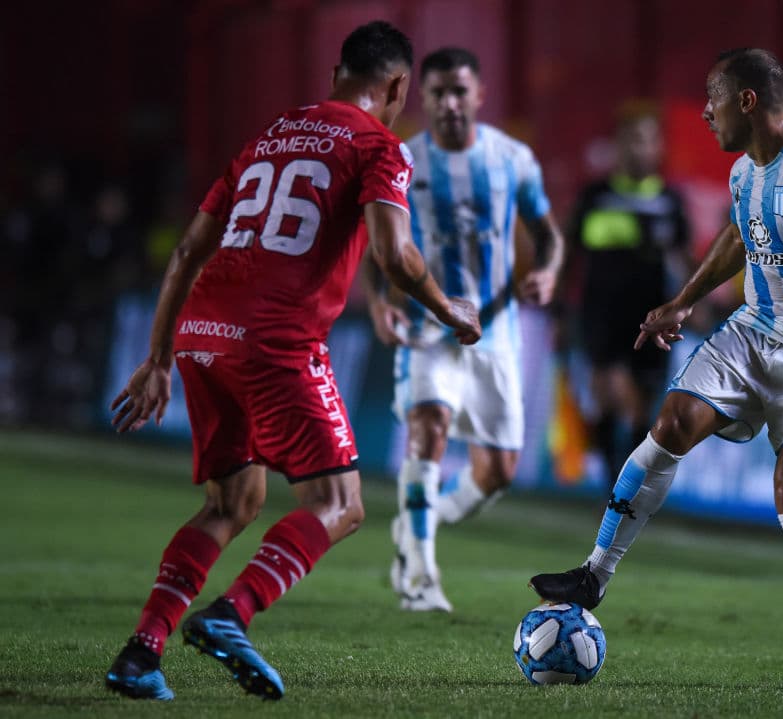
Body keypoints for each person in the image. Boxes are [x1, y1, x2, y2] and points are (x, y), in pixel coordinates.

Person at [104, 21, 480, 702]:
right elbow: (395, 255)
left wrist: (158, 357)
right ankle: (230, 614)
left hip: (201, 332)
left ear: (336, 75)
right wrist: (448, 306)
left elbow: (188, 250)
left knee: (232, 499)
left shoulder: (266, 139)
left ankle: (141, 651)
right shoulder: (378, 144)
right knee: (340, 502)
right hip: (274, 340)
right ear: (397, 86)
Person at [530, 48, 783, 692]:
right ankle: (594, 574)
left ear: (746, 101)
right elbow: (736, 237)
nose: (704, 112)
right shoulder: (744, 172)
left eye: (713, 98)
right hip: (754, 334)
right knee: (670, 420)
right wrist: (683, 301)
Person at [363, 47, 564, 612]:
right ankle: (422, 575)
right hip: (429, 326)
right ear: (422, 99)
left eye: (459, 91)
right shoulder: (401, 161)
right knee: (429, 428)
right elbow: (377, 246)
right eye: (438, 93)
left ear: (479, 95)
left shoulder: (513, 159)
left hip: (496, 336)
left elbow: (546, 234)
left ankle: (417, 524)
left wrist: (547, 272)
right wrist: (379, 302)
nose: (449, 103)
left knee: (497, 472)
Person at [564, 105, 691, 488]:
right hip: (601, 313)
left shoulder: (670, 201)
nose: (642, 148)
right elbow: (569, 255)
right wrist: (556, 307)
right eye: (634, 140)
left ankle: (628, 485)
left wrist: (691, 302)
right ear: (619, 146)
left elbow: (686, 261)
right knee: (611, 391)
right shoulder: (595, 197)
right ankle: (612, 487)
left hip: (652, 316)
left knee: (640, 407)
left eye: (650, 140)